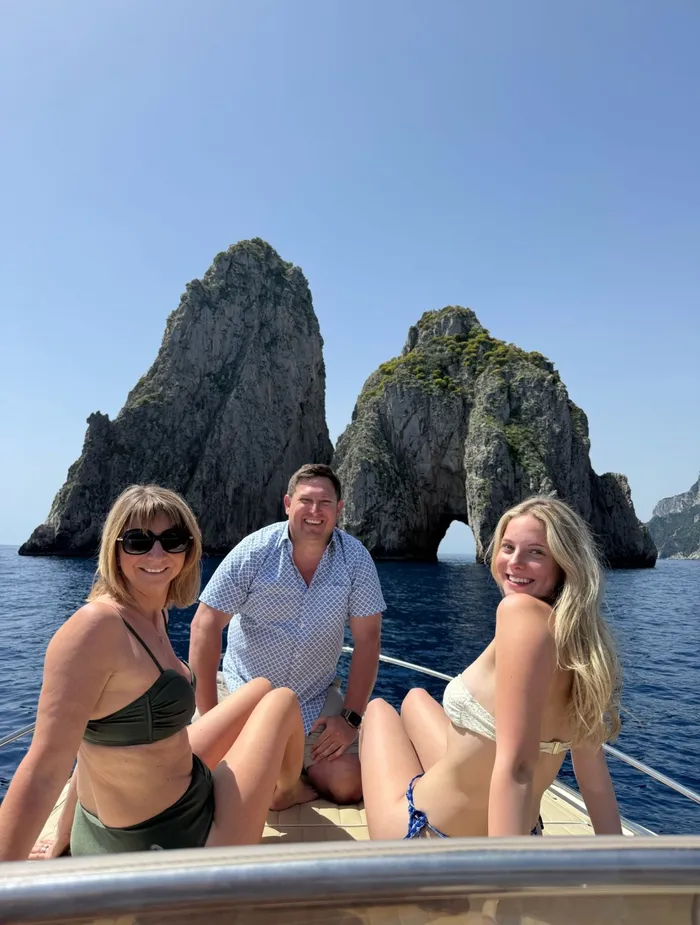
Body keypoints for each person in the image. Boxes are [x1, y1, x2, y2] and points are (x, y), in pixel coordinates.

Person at [0, 485, 315, 862]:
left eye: (172, 540)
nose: (156, 554)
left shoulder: (155, 614)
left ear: (188, 549)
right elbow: (44, 769)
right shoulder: (95, 628)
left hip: (165, 792)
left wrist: (65, 832)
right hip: (172, 838)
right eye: (138, 541)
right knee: (283, 700)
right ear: (115, 550)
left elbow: (86, 736)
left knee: (262, 687)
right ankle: (288, 791)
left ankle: (283, 785)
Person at [360, 496, 623, 839]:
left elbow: (518, 767)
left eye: (535, 552)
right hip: (524, 829)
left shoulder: (518, 613)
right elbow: (593, 777)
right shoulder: (583, 642)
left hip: (427, 834)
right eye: (508, 547)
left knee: (378, 711)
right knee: (414, 698)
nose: (514, 562)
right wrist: (619, 861)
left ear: (564, 562)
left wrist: (500, 870)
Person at [189, 463, 385, 805]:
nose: (315, 511)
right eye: (306, 501)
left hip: (313, 701)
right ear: (288, 504)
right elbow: (205, 625)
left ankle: (286, 771)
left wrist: (349, 720)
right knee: (195, 778)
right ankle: (284, 775)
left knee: (348, 784)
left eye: (325, 503)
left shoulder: (355, 559)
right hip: (242, 693)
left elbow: (368, 640)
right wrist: (210, 716)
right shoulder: (255, 551)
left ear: (339, 509)